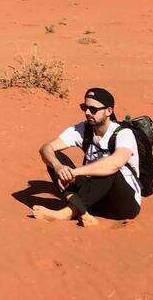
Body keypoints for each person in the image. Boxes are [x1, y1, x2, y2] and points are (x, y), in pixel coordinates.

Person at [32, 87, 142, 226]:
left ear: (109, 111)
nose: (88, 113)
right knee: (56, 157)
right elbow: (45, 148)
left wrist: (75, 172)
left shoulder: (123, 134)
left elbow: (115, 162)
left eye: (93, 109)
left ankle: (66, 213)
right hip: (93, 200)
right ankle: (83, 212)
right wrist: (58, 166)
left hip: (123, 205)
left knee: (108, 169)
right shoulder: (83, 129)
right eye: (85, 107)